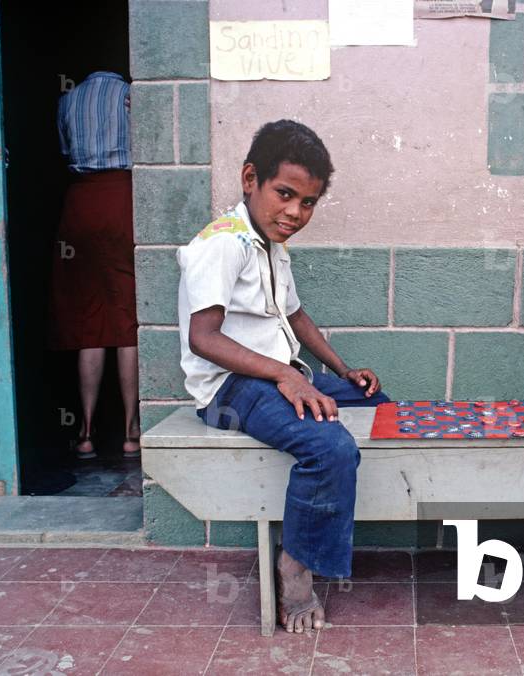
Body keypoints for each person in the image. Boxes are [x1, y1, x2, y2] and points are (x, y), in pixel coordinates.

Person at [179, 120, 388, 633]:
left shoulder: (270, 245)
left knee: (382, 406)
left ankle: (328, 532)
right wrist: (286, 377)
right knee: (330, 446)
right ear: (250, 178)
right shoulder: (221, 243)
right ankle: (294, 573)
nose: (296, 212)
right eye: (286, 194)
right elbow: (202, 337)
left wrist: (341, 371)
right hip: (229, 391)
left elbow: (295, 316)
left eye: (309, 202)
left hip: (275, 380)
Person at [48, 71, 139, 459]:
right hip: (121, 199)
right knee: (127, 319)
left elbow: (66, 153)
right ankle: (131, 432)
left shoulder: (68, 100)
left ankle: (84, 432)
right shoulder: (130, 95)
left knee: (89, 322)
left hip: (81, 203)